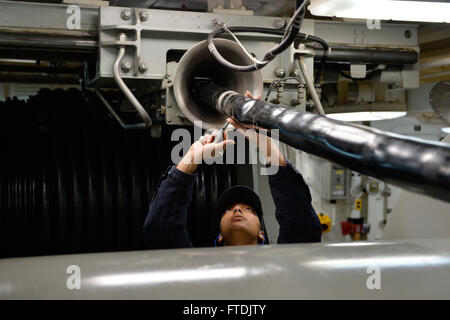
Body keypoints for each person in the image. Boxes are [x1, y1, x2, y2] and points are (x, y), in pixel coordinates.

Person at [143, 94, 322, 249]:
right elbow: (160, 230)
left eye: (249, 209)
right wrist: (191, 158)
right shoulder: (197, 271)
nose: (237, 209)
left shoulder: (282, 266)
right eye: (228, 210)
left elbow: (302, 228)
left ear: (262, 233)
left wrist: (267, 146)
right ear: (219, 235)